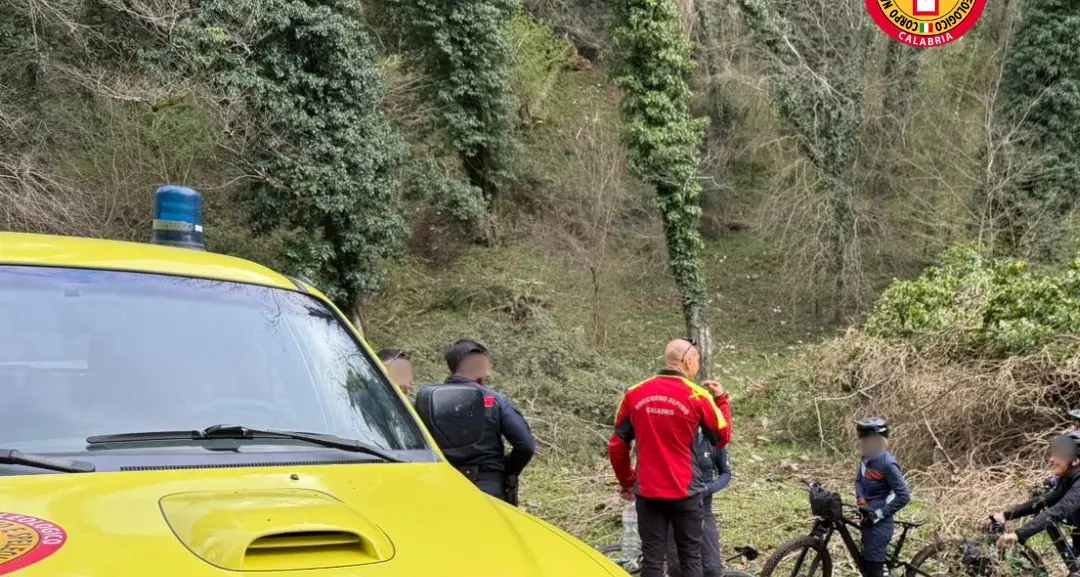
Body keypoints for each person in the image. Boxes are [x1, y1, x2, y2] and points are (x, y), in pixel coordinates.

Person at [609, 339, 733, 577]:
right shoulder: (697, 396)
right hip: (685, 493)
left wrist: (627, 481)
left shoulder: (635, 393)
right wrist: (721, 400)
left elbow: (617, 444)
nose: (697, 366)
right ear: (687, 361)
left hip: (648, 492)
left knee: (652, 560)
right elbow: (721, 437)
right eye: (697, 360)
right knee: (690, 559)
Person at [414, 339, 536, 505]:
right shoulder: (493, 400)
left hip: (440, 486)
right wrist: (506, 470)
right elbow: (526, 445)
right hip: (487, 487)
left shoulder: (425, 399)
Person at [993, 432, 1080, 567]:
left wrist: (1018, 535)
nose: (1052, 459)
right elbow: (1043, 501)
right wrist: (1005, 515)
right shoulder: (1071, 479)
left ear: (1075, 460)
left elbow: (1059, 510)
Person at [664, 434, 732, 577]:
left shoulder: (713, 439)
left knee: (712, 568)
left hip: (703, 508)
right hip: (675, 508)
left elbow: (726, 473)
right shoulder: (673, 435)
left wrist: (708, 489)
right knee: (677, 569)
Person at [854, 417, 911, 577]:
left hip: (879, 526)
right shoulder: (866, 458)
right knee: (866, 563)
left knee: (874, 570)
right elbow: (859, 481)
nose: (863, 443)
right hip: (867, 519)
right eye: (862, 439)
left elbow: (904, 496)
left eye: (867, 439)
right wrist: (861, 501)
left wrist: (879, 514)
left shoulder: (887, 464)